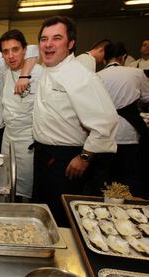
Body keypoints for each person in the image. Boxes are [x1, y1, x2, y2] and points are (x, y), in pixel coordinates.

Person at [32, 16, 118, 226]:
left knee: (61, 219)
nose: (48, 44)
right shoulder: (48, 69)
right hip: (43, 156)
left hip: (66, 160)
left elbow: (106, 122)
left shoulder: (81, 76)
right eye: (44, 39)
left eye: (56, 38)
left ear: (70, 44)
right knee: (42, 213)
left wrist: (85, 157)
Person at [97, 42, 149, 198]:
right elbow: (147, 97)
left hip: (105, 134)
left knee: (104, 179)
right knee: (129, 178)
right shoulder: (136, 73)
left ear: (104, 59)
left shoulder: (97, 76)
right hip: (129, 133)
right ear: (123, 57)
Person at [0, 30, 42, 200]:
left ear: (25, 50)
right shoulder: (4, 67)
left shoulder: (38, 73)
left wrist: (25, 75)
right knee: (8, 178)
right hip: (8, 135)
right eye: (6, 51)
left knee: (27, 182)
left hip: (27, 137)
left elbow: (36, 48)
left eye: (15, 49)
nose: (10, 56)